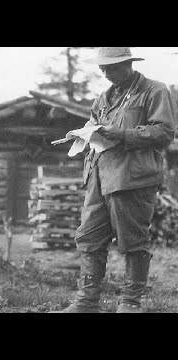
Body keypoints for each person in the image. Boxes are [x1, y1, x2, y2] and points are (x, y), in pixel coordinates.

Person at [53, 47, 176, 313]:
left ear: (127, 64)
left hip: (132, 177)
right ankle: (86, 302)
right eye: (102, 68)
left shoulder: (154, 91)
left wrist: (121, 134)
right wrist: (84, 135)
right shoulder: (102, 99)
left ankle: (130, 302)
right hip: (99, 177)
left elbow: (165, 132)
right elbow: (94, 127)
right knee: (88, 237)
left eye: (110, 67)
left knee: (132, 240)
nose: (105, 73)